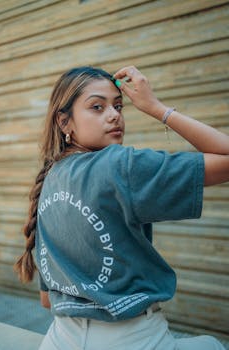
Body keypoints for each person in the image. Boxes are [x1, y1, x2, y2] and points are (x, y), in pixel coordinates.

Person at [14, 65, 229, 350]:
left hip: (59, 339)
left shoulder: (49, 178)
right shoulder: (120, 165)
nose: (114, 115)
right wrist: (156, 108)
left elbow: (46, 299)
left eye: (118, 106)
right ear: (65, 123)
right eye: (97, 107)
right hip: (133, 339)